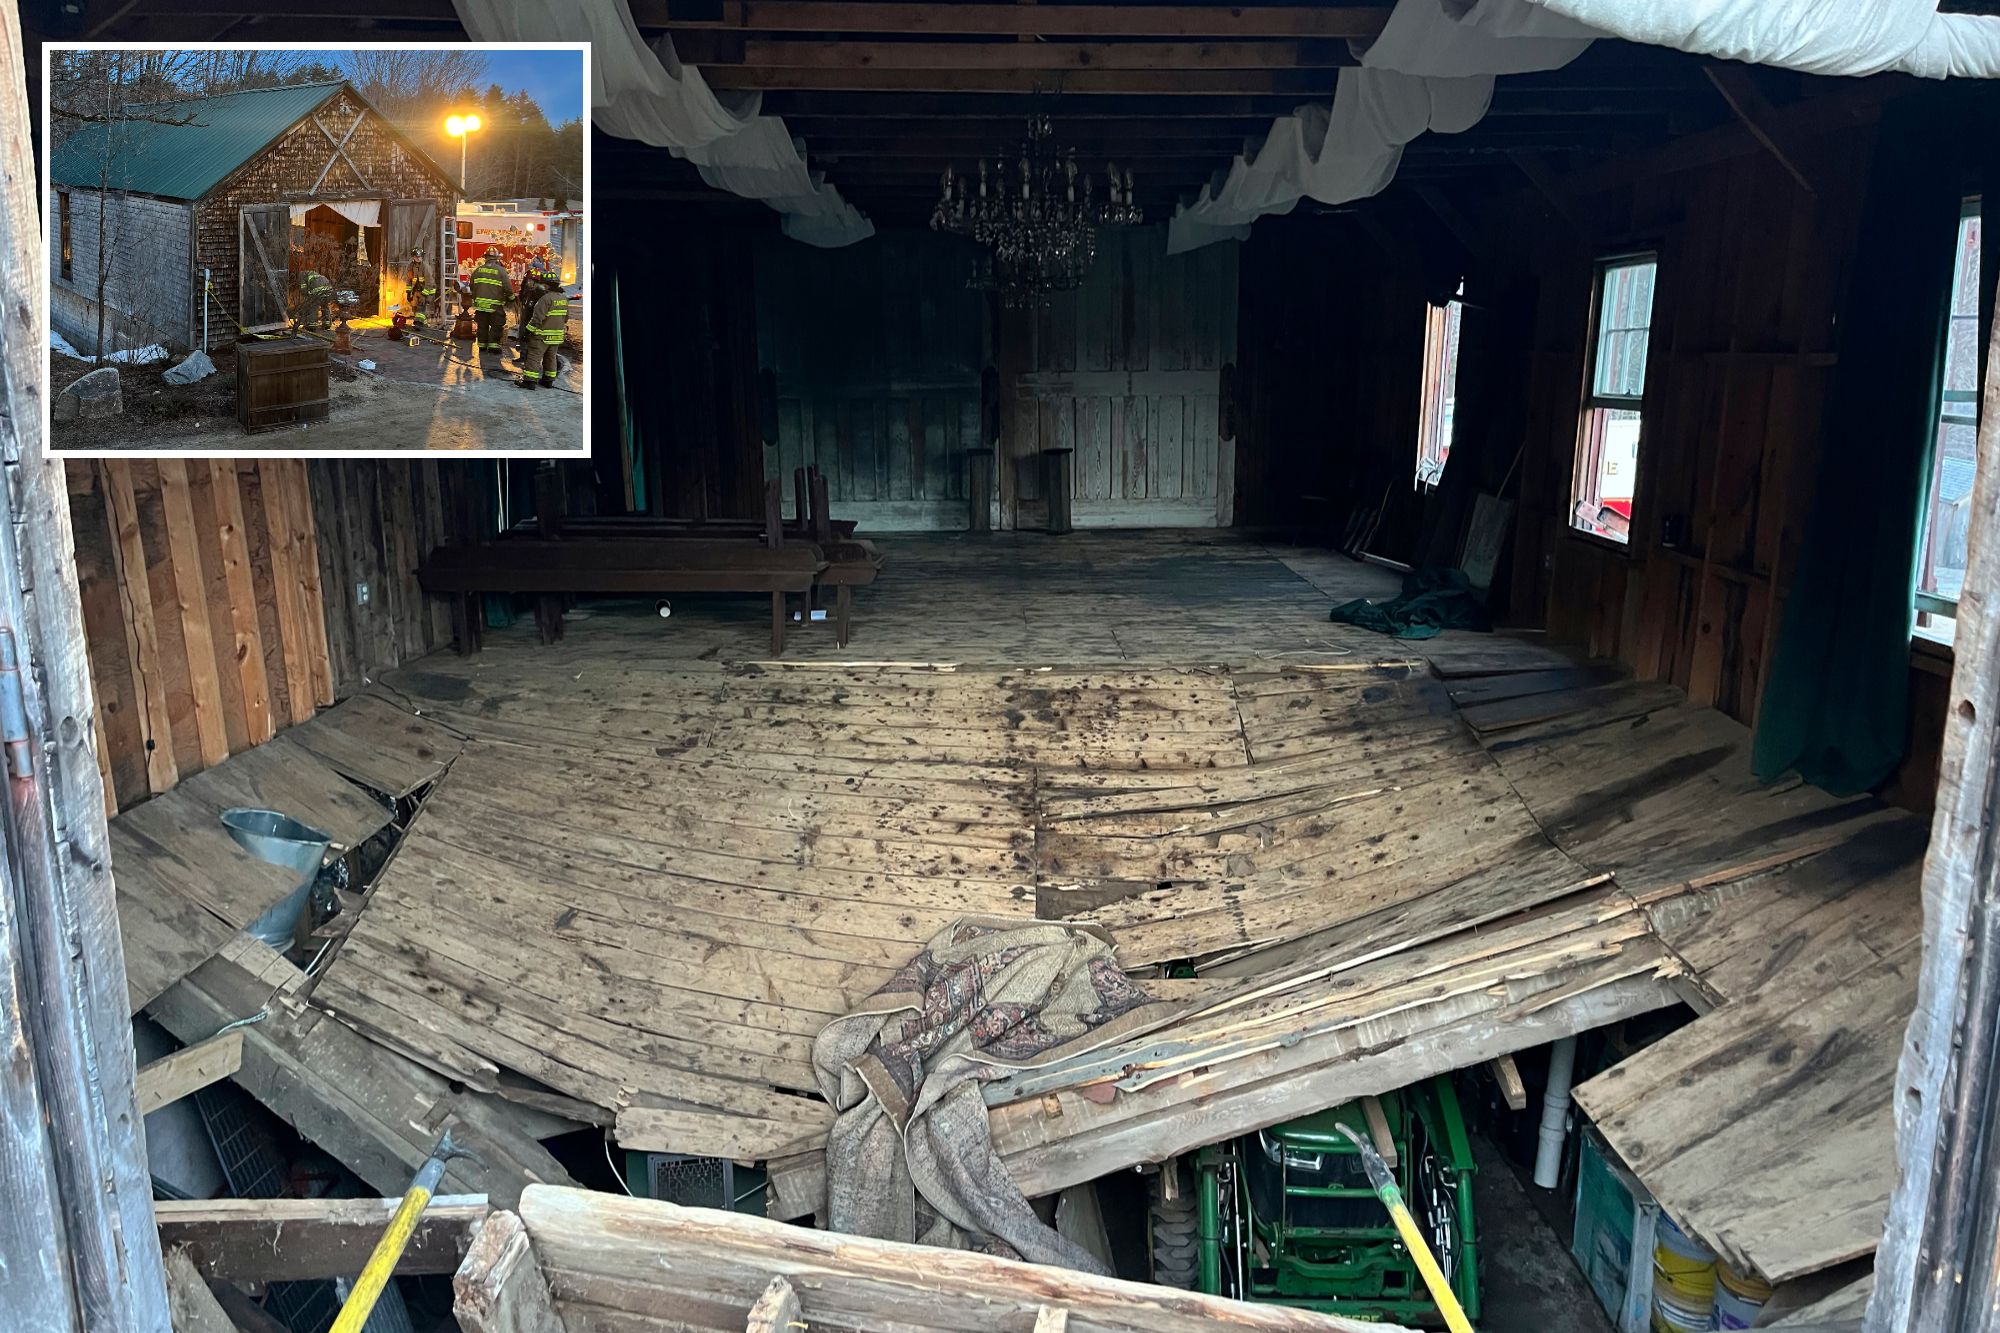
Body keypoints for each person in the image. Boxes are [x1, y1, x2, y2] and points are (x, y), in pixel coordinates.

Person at [517, 279, 569, 390]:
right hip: (557, 336)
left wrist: (527, 331)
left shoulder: (545, 299)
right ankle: (548, 381)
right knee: (551, 358)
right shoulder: (563, 298)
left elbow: (537, 319)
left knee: (534, 357)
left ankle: (529, 382)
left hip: (541, 336)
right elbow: (566, 318)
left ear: (547, 286)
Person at [466, 247, 511, 353]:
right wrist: (511, 298)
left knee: (482, 325)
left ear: (485, 257)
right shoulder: (501, 271)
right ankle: (493, 346)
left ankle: (482, 345)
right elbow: (508, 287)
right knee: (496, 324)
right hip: (495, 306)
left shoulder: (478, 270)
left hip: (480, 305)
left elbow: (471, 286)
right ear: (496, 258)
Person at [512, 259, 545, 365]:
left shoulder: (538, 281)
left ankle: (528, 357)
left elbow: (524, 287)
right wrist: (522, 299)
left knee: (528, 332)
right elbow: (523, 288)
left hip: (532, 307)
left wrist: (523, 300)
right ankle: (524, 355)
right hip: (527, 304)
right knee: (523, 331)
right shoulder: (532, 275)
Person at [406, 247, 438, 327]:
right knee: (414, 306)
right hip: (418, 290)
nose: (419, 258)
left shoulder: (425, 267)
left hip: (428, 290)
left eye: (420, 256)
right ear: (413, 257)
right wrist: (408, 291)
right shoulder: (411, 266)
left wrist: (424, 295)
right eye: (417, 257)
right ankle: (424, 324)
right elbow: (409, 279)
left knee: (421, 306)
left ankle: (418, 324)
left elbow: (429, 282)